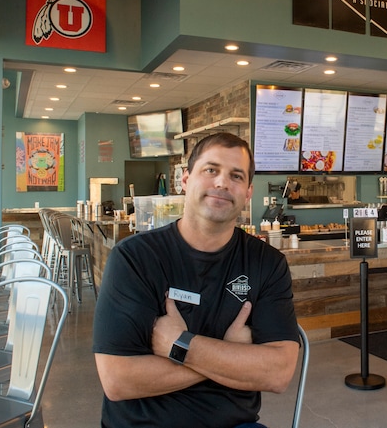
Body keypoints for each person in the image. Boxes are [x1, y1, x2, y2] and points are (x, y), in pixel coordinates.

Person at [93, 132, 300, 428]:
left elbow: (278, 374)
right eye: (211, 170)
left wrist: (179, 345)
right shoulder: (134, 258)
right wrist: (230, 353)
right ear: (185, 180)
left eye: (236, 176)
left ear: (248, 192)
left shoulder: (267, 263)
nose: (222, 183)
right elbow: (118, 380)